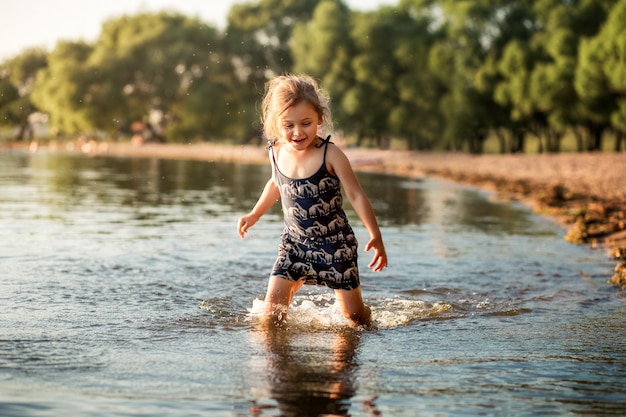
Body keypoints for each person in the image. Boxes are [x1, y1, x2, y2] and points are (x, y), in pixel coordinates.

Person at [237, 74, 387, 326]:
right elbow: (276, 183)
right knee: (270, 316)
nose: (297, 132)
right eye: (288, 125)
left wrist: (375, 234)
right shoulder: (276, 152)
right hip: (294, 244)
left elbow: (355, 194)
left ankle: (359, 336)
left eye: (306, 123)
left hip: (335, 246)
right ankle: (273, 363)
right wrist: (254, 214)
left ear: (320, 118)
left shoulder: (331, 154)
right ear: (276, 124)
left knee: (355, 318)